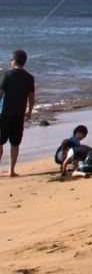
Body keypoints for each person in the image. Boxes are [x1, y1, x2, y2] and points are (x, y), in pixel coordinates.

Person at [0, 49, 35, 178]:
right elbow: (31, 97)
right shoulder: (29, 78)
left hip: (4, 113)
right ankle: (11, 170)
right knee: (15, 143)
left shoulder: (8, 75)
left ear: (14, 61)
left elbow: (1, 93)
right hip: (19, 114)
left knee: (0, 141)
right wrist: (29, 112)